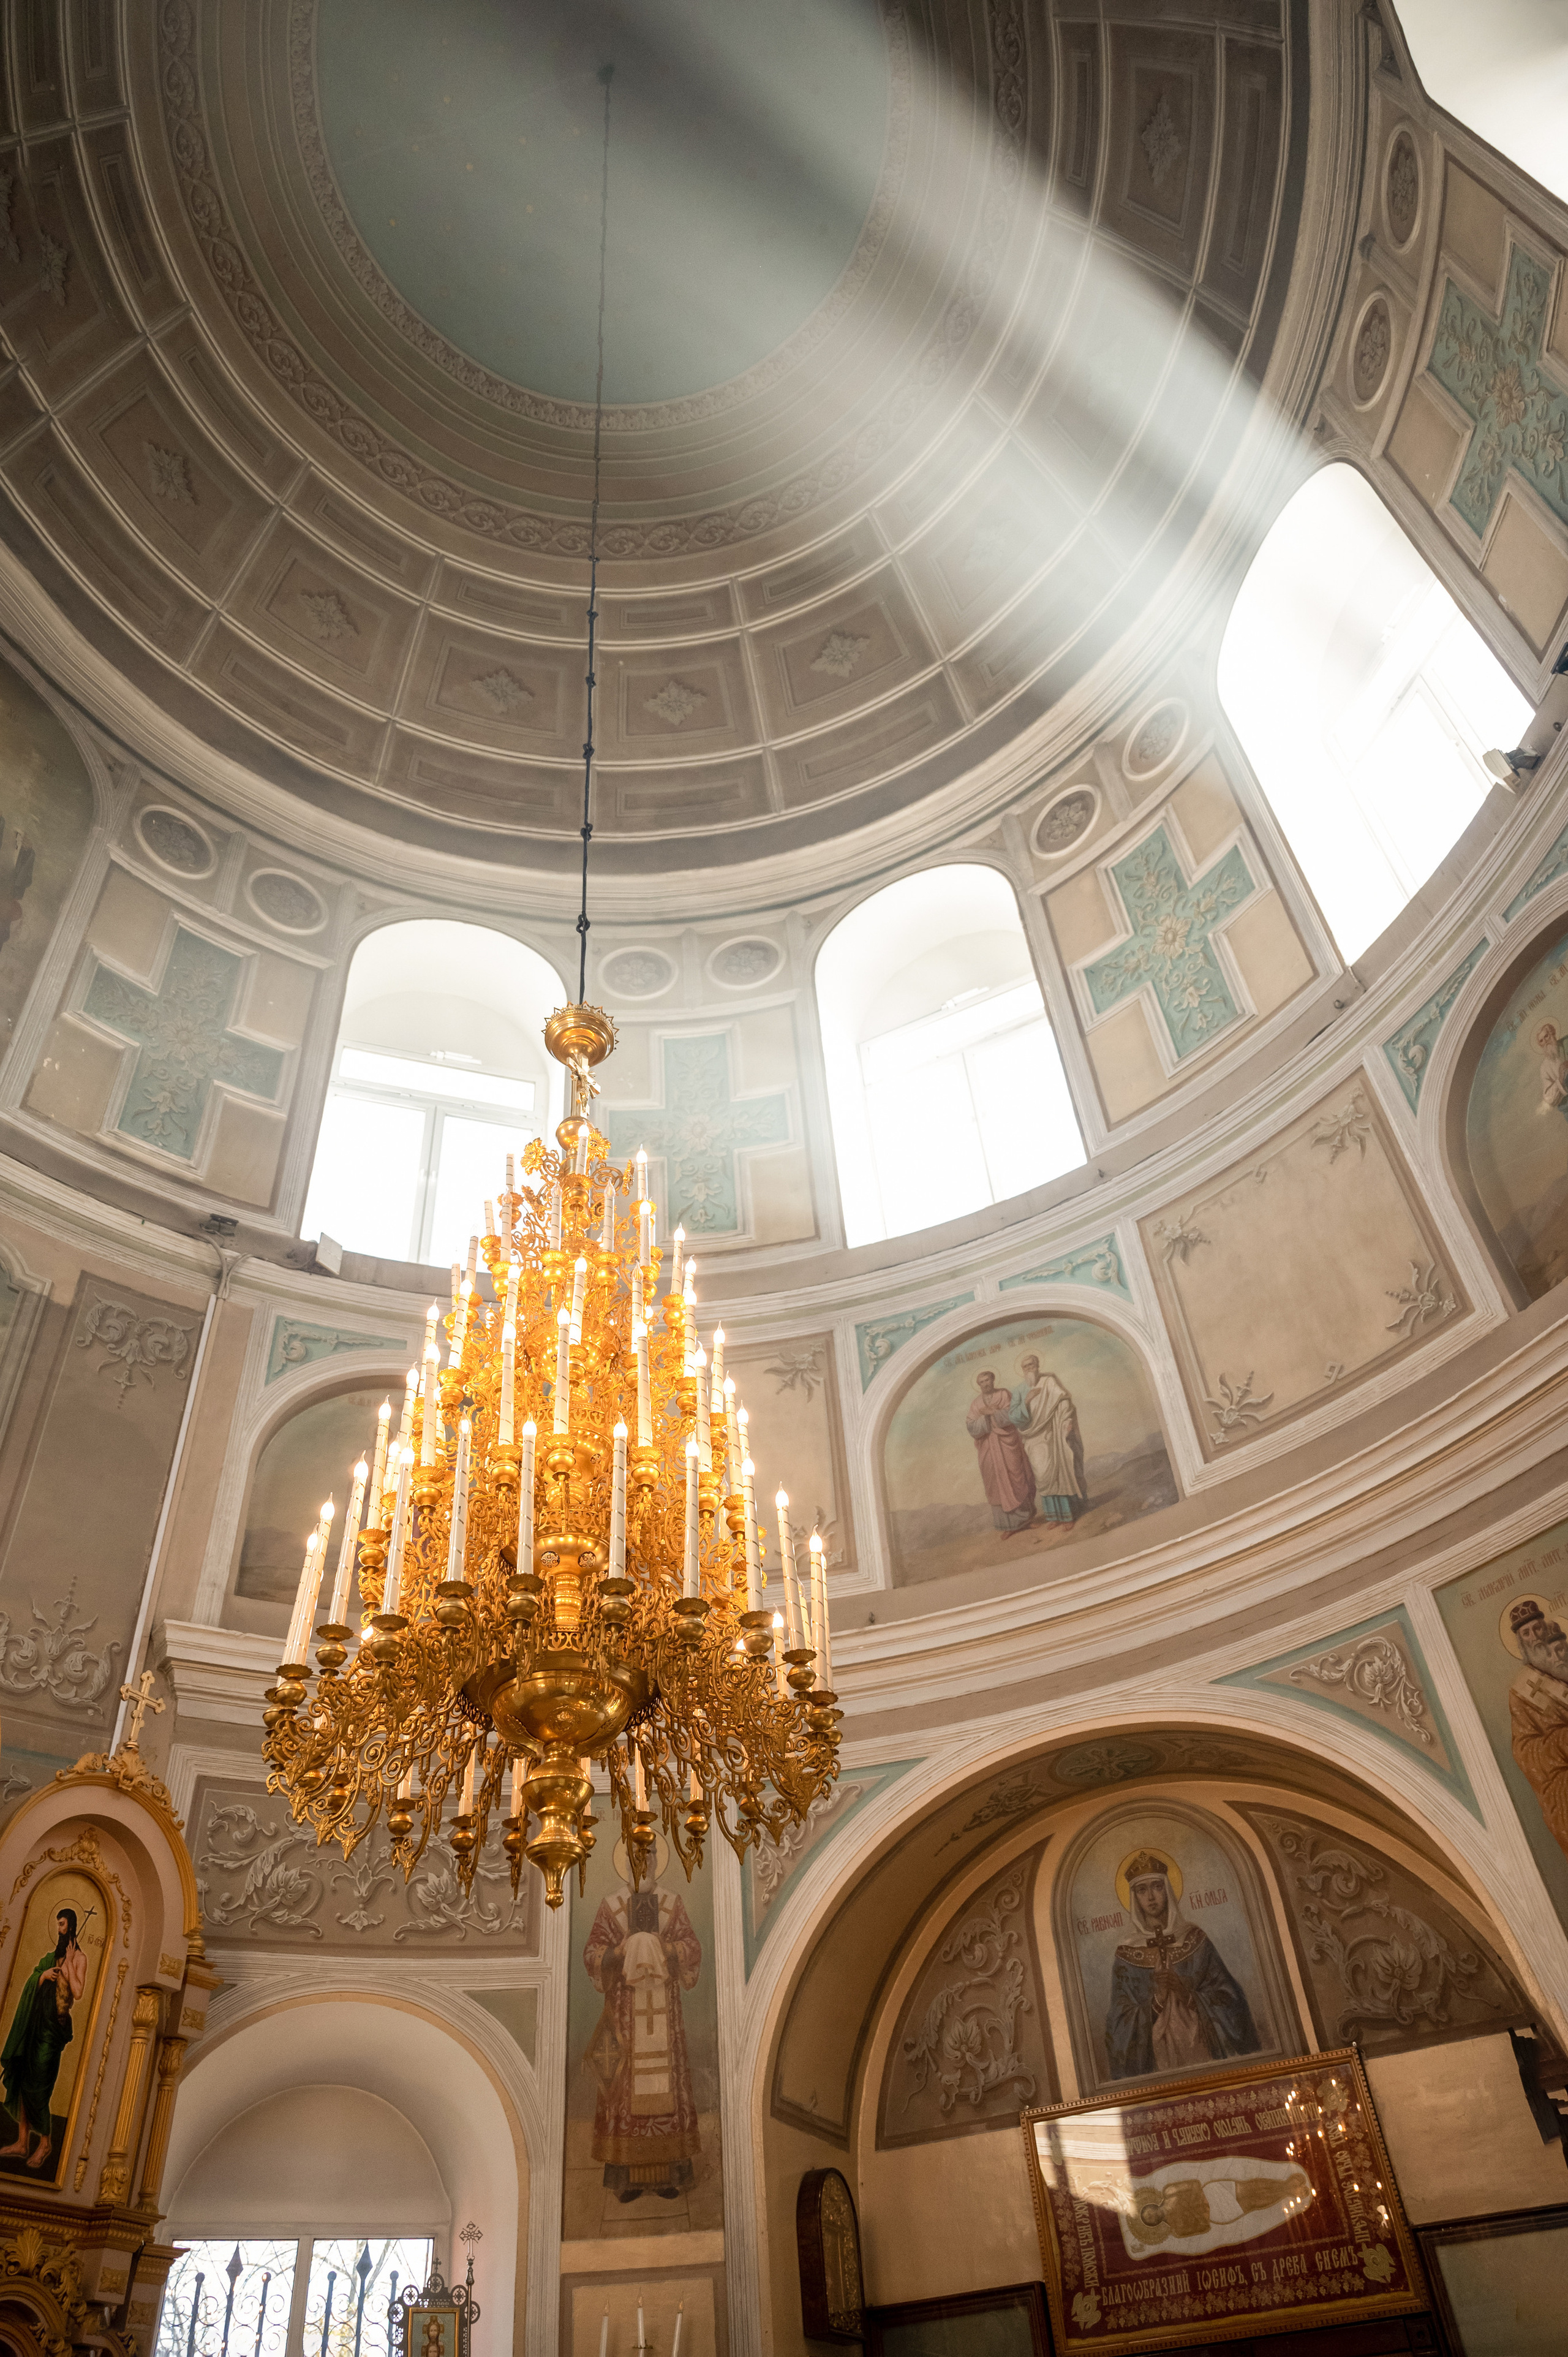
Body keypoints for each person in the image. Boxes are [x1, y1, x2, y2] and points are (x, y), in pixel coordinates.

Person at [581, 1856, 703, 2203]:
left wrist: (667, 1948)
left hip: (665, 2008)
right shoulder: (611, 1907)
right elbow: (591, 1952)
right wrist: (617, 1952)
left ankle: (670, 2175)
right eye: (635, 1857)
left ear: (655, 1861)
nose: (642, 1863)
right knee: (623, 2086)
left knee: (667, 2082)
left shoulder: (671, 1904)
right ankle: (626, 2177)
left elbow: (693, 1948)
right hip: (624, 2014)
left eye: (647, 1857)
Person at [1105, 1852, 1259, 2079]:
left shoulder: (1195, 1939)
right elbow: (1118, 2026)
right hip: (1157, 2067)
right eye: (1142, 1890)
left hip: (1203, 2052)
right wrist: (1156, 2001)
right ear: (1134, 1897)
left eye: (1157, 1887)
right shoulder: (1127, 1954)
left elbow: (1231, 2000)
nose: (1151, 1897)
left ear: (1167, 1889)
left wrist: (1184, 1991)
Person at [0, 1908, 85, 2171]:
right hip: (35, 2025)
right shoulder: (49, 1958)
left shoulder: (80, 1958)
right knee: (26, 2078)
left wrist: (69, 1963)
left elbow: (78, 1992)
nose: (59, 1929)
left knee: (39, 2086)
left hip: (53, 2029)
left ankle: (45, 2143)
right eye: (57, 1924)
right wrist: (43, 1976)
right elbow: (33, 1978)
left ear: (70, 1926)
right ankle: (23, 2141)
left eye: (62, 1924)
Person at [1506, 1598, 1568, 1858]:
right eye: (1527, 1633)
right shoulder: (1521, 1693)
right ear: (1521, 1642)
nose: (1535, 1638)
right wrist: (1563, 1740)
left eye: (1538, 1629)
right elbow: (1525, 1751)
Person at [1014, 1355, 1087, 1524]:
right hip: (1033, 1438)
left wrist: (1066, 1421)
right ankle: (1054, 1517)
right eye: (1025, 1367)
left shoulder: (1049, 1381)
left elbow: (1063, 1402)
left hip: (1053, 1433)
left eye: (1031, 1365)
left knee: (1060, 1473)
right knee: (1042, 1476)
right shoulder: (1019, 1390)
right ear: (1022, 1370)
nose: (1029, 1369)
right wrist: (1026, 1401)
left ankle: (1068, 1516)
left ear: (1038, 1365)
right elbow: (1014, 1417)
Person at [965, 1369, 1036, 1537]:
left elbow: (1014, 1415)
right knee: (996, 1484)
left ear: (993, 1380)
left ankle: (1027, 1520)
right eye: (982, 1382)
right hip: (989, 1449)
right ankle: (1008, 1527)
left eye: (987, 1380)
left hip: (1008, 1445)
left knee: (1017, 1478)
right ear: (978, 1385)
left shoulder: (1004, 1394)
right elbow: (971, 1427)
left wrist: (995, 1413)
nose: (985, 1384)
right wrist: (985, 1418)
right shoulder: (976, 1404)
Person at [1536, 1021, 1568, 1114]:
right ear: (1540, 1045)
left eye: (1546, 1036)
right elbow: (1548, 1098)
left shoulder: (1566, 1043)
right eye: (1541, 1041)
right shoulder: (1545, 1067)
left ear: (1552, 1033)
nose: (1546, 1041)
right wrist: (1561, 1078)